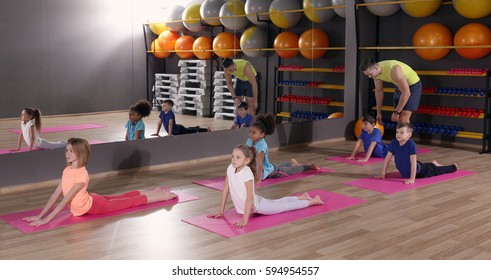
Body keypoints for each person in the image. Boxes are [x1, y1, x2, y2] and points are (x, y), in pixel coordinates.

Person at [22, 138, 178, 227]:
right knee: (123, 196)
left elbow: (66, 199)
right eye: (66, 150)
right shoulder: (67, 170)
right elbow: (56, 194)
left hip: (94, 206)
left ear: (80, 153)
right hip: (91, 199)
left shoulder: (81, 174)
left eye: (71, 151)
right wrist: (40, 215)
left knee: (130, 201)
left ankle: (163, 196)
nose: (67, 154)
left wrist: (47, 220)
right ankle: (155, 191)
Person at [207, 144, 324, 228]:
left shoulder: (246, 173)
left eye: (238, 157)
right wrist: (221, 211)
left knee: (284, 207)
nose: (233, 159)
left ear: (247, 160)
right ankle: (301, 197)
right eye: (232, 156)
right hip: (254, 202)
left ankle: (313, 201)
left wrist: (244, 220)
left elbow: (249, 197)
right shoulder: (230, 168)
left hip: (257, 206)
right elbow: (226, 189)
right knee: (277, 202)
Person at [247, 114, 319, 184]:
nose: (250, 134)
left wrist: (259, 178)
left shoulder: (262, 145)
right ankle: (292, 163)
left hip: (271, 171)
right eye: (250, 132)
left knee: (291, 171)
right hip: (267, 166)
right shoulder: (249, 141)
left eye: (254, 133)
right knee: (278, 166)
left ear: (262, 135)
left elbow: (260, 163)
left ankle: (309, 167)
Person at [376, 122, 458, 185]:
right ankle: (434, 164)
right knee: (429, 166)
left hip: (420, 171)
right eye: (397, 132)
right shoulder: (394, 142)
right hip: (407, 171)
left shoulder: (411, 145)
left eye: (401, 132)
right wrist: (383, 174)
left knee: (437, 171)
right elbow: (387, 158)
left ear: (409, 135)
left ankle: (453, 167)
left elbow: (413, 162)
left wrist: (412, 178)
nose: (398, 134)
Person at [360, 58, 422, 124]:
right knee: (398, 119)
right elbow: (379, 91)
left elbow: (406, 93)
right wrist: (378, 112)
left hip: (413, 85)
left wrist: (396, 112)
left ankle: (406, 134)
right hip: (399, 85)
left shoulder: (394, 70)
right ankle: (401, 133)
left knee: (403, 117)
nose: (369, 77)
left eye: (370, 74)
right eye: (367, 75)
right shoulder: (375, 73)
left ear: (375, 67)